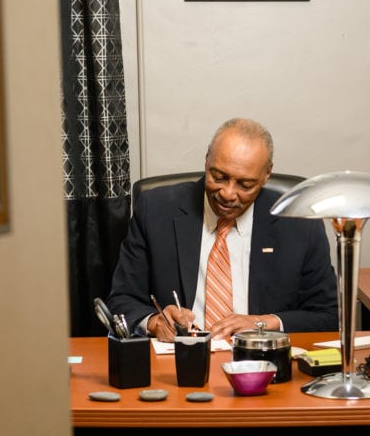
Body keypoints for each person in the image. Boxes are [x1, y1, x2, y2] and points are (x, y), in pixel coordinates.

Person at [106, 117, 338, 341]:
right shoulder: (156, 210)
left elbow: (328, 315)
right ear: (207, 160)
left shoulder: (299, 224)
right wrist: (155, 322)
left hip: (262, 363)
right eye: (218, 177)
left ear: (266, 175)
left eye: (245, 185)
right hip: (180, 361)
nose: (227, 193)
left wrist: (262, 323)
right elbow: (122, 300)